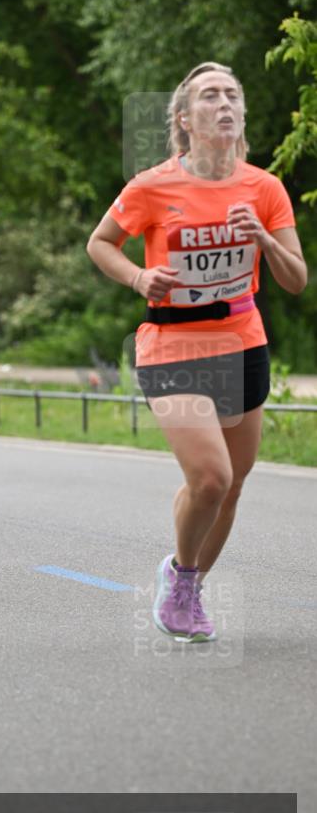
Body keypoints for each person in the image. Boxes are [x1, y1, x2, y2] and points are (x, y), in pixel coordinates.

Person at [87, 61, 306, 643]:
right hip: (172, 342)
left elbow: (296, 279)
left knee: (233, 485)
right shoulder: (152, 185)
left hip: (242, 340)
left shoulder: (265, 188)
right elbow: (100, 242)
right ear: (185, 118)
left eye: (233, 95)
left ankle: (190, 583)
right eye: (211, 96)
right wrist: (138, 278)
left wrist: (261, 237)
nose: (226, 103)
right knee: (211, 476)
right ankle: (179, 575)